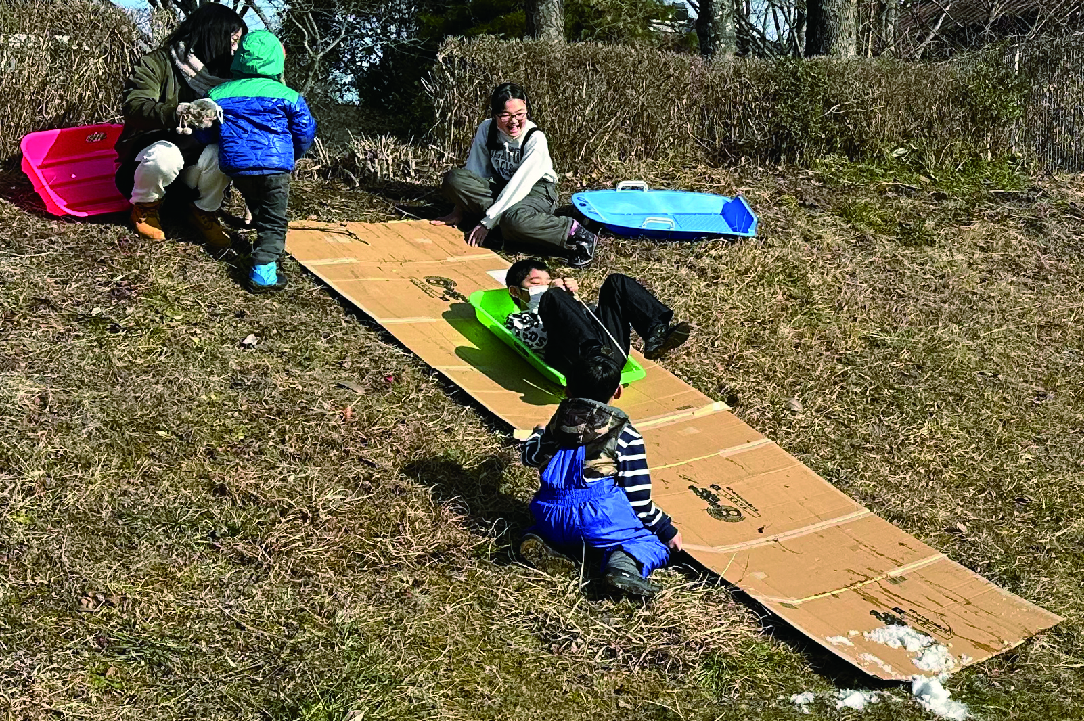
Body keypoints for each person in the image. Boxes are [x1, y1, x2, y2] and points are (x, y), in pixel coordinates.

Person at [519, 346, 683, 597]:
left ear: (567, 389)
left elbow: (530, 457)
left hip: (549, 514)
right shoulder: (626, 435)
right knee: (649, 541)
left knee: (557, 529)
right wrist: (666, 529)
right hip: (598, 518)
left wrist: (536, 434)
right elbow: (638, 499)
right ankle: (623, 567)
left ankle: (543, 541)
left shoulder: (556, 423)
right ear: (618, 391)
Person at [114, 3, 246, 251]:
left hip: (195, 163)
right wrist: (179, 113)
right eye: (232, 40)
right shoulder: (159, 63)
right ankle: (145, 207)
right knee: (166, 154)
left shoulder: (233, 77)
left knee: (224, 152)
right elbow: (135, 105)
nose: (235, 48)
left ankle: (202, 210)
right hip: (149, 159)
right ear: (212, 36)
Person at [431, 82, 599, 267]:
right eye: (506, 115)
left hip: (535, 190)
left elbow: (520, 186)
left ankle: (575, 232)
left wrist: (487, 222)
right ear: (495, 114)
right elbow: (475, 171)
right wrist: (459, 209)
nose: (514, 122)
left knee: (514, 220)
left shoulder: (534, 138)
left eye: (520, 114)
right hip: (503, 185)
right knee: (455, 179)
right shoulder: (486, 129)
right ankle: (503, 223)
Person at [204, 30, 316, 292]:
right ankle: (264, 272)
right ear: (277, 59)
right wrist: (293, 154)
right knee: (275, 217)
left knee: (257, 204)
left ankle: (264, 246)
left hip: (237, 165)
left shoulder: (219, 92)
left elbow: (205, 127)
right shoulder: (288, 95)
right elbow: (305, 131)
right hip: (275, 165)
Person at [503, 258, 692, 379]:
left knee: (616, 282)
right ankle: (592, 353)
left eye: (547, 281)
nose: (544, 286)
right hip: (576, 363)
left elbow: (595, 319)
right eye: (536, 283)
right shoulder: (517, 320)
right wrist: (554, 297)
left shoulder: (562, 299)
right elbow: (540, 342)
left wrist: (573, 301)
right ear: (515, 291)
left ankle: (656, 334)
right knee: (552, 297)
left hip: (607, 352)